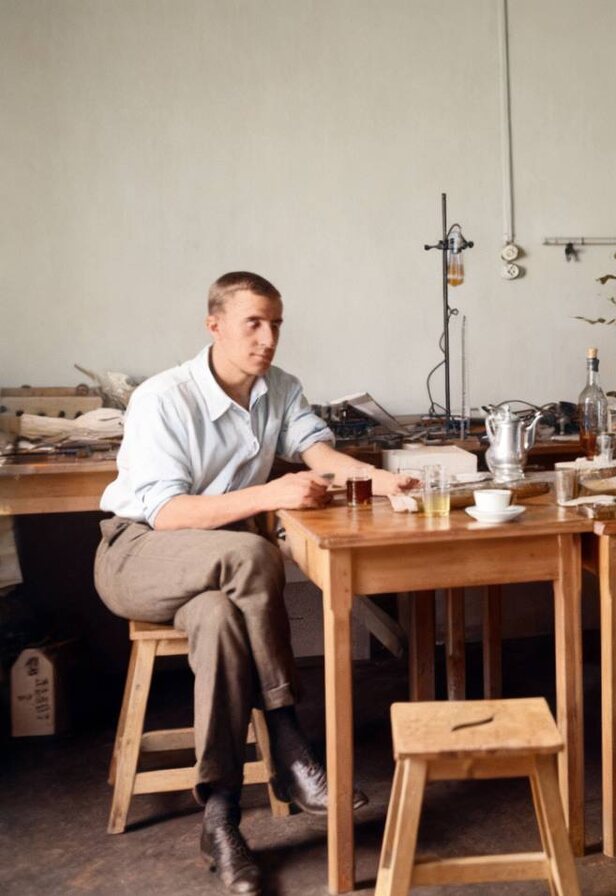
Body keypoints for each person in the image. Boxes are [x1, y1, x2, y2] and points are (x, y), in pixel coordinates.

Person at [95, 272, 417, 895]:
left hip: (213, 574)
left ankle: (220, 819)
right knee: (250, 552)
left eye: (276, 325)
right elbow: (167, 514)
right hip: (138, 553)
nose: (268, 338)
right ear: (214, 325)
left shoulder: (280, 389)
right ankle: (289, 738)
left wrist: (381, 481)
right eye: (253, 323)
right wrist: (270, 493)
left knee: (219, 619)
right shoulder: (163, 398)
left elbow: (318, 453)